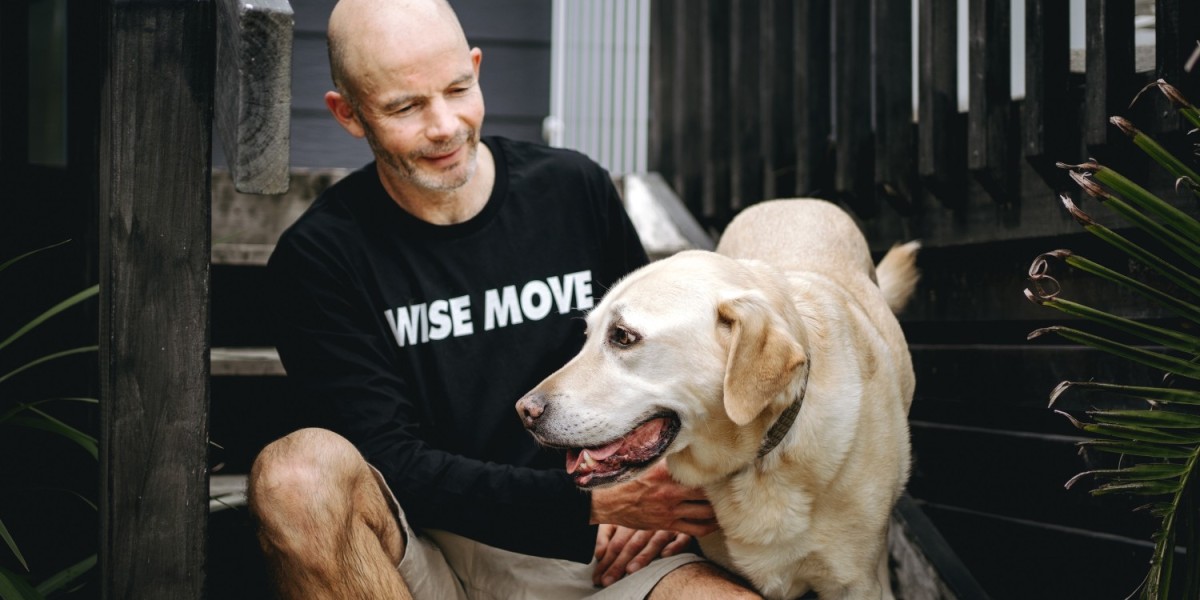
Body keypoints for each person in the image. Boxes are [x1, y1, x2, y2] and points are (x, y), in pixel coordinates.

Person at [246, 0, 762, 598]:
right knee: (295, 475)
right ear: (349, 114)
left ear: (477, 66)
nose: (444, 125)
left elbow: (667, 365)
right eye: (405, 107)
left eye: (458, 88)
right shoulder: (320, 257)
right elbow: (388, 457)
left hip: (602, 553)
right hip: (422, 555)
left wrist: (662, 480)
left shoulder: (573, 191)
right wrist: (586, 506)